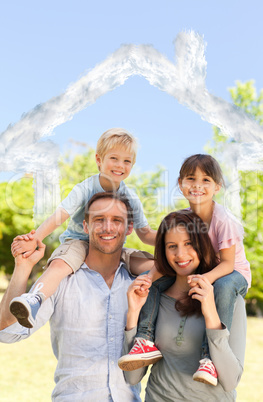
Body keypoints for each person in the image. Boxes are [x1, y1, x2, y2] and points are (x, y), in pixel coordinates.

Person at [0, 192, 150, 401]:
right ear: (86, 227)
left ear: (129, 228)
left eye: (117, 220)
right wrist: (23, 268)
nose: (108, 227)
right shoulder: (59, 280)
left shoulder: (140, 286)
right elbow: (7, 332)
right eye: (99, 220)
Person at [119, 154, 250, 387]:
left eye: (206, 180)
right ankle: (145, 339)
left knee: (222, 287)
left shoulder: (223, 220)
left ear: (218, 186)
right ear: (180, 184)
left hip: (232, 274)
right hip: (207, 270)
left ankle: (209, 358)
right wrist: (148, 278)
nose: (197, 185)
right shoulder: (185, 219)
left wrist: (203, 279)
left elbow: (228, 264)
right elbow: (157, 242)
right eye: (191, 178)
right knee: (156, 284)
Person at [9, 128, 156, 328]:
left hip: (111, 247)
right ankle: (35, 299)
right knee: (60, 265)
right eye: (114, 158)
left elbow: (146, 234)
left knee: (156, 265)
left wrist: (179, 243)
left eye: (127, 161)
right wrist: (37, 238)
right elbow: (60, 215)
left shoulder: (131, 197)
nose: (120, 165)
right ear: (99, 160)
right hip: (79, 242)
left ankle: (149, 328)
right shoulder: (85, 188)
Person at [121, 210, 247, 401]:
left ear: (203, 245)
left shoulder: (230, 301)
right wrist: (133, 312)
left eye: (189, 244)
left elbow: (230, 381)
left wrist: (211, 314)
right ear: (163, 251)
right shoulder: (154, 298)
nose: (181, 254)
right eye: (172, 246)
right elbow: (132, 377)